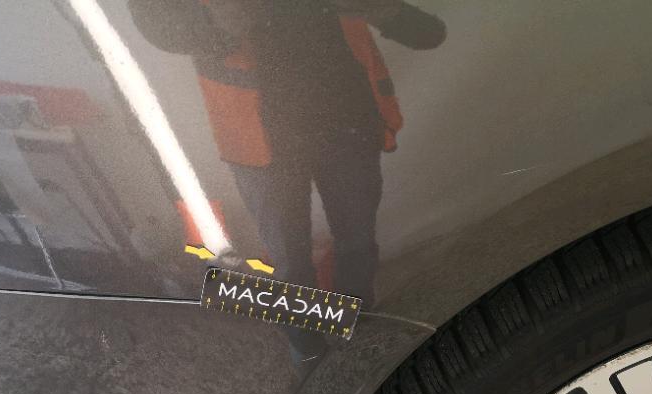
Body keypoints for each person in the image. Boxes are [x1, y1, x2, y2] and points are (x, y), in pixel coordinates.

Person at [129, 0, 446, 304]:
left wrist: (385, 10)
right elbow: (154, 20)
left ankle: (358, 322)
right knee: (291, 263)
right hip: (262, 138)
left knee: (356, 244)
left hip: (346, 122)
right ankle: (310, 338)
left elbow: (427, 34)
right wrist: (217, 25)